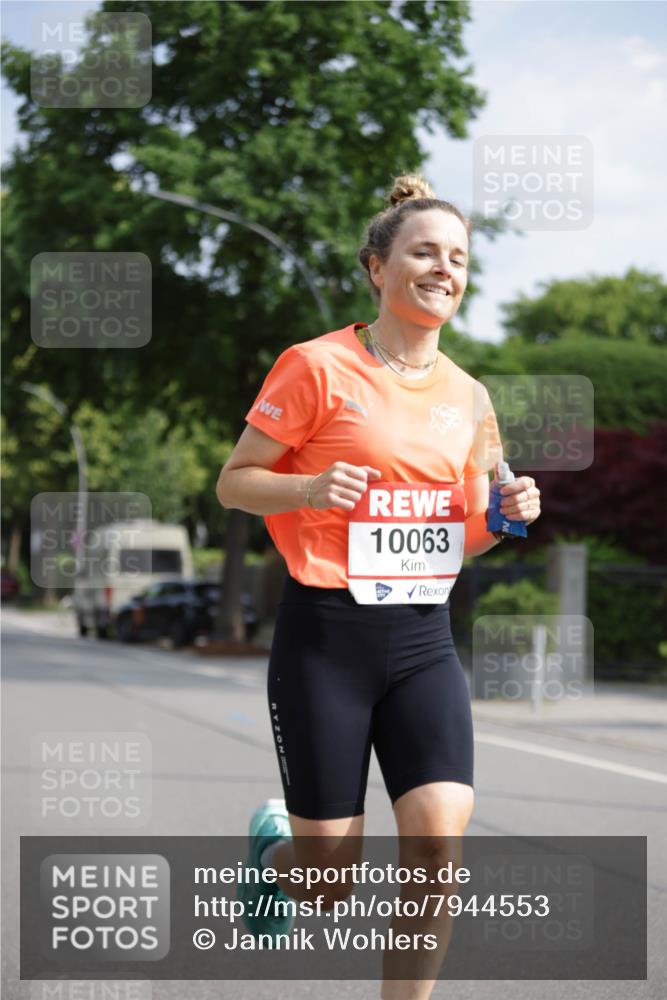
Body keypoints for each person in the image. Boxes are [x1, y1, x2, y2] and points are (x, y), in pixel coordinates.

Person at [216, 173, 541, 997]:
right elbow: (234, 482)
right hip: (325, 638)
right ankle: (275, 851)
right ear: (377, 268)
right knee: (328, 884)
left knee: (438, 844)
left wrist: (504, 517)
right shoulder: (315, 366)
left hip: (423, 640)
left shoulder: (469, 397)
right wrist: (307, 488)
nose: (443, 269)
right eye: (423, 252)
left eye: (458, 258)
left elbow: (456, 536)